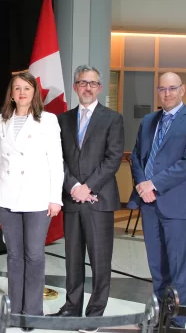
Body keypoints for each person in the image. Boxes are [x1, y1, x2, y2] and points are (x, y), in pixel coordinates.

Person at [128, 72, 186, 328]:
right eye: (162, 89)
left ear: (182, 90)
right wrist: (143, 185)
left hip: (177, 205)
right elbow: (137, 156)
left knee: (179, 267)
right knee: (157, 265)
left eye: (172, 88)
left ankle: (176, 322)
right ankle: (160, 314)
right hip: (149, 203)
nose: (167, 93)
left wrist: (153, 184)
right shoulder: (149, 120)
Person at [50, 66, 124, 332]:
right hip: (72, 199)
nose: (88, 88)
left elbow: (113, 158)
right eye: (83, 83)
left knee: (100, 261)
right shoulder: (62, 120)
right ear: (75, 87)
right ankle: (72, 308)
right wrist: (73, 186)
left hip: (98, 200)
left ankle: (94, 314)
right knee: (72, 259)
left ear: (100, 88)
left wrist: (88, 187)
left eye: (93, 83)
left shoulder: (112, 119)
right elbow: (57, 158)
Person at [0, 71, 64, 330]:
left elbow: (56, 161)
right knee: (14, 255)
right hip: (7, 196)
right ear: (11, 94)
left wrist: (55, 198)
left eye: (27, 88)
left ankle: (32, 312)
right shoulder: (1, 120)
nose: (21, 93)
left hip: (37, 197)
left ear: (35, 93)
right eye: (17, 88)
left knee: (34, 254)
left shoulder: (48, 120)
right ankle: (15, 310)